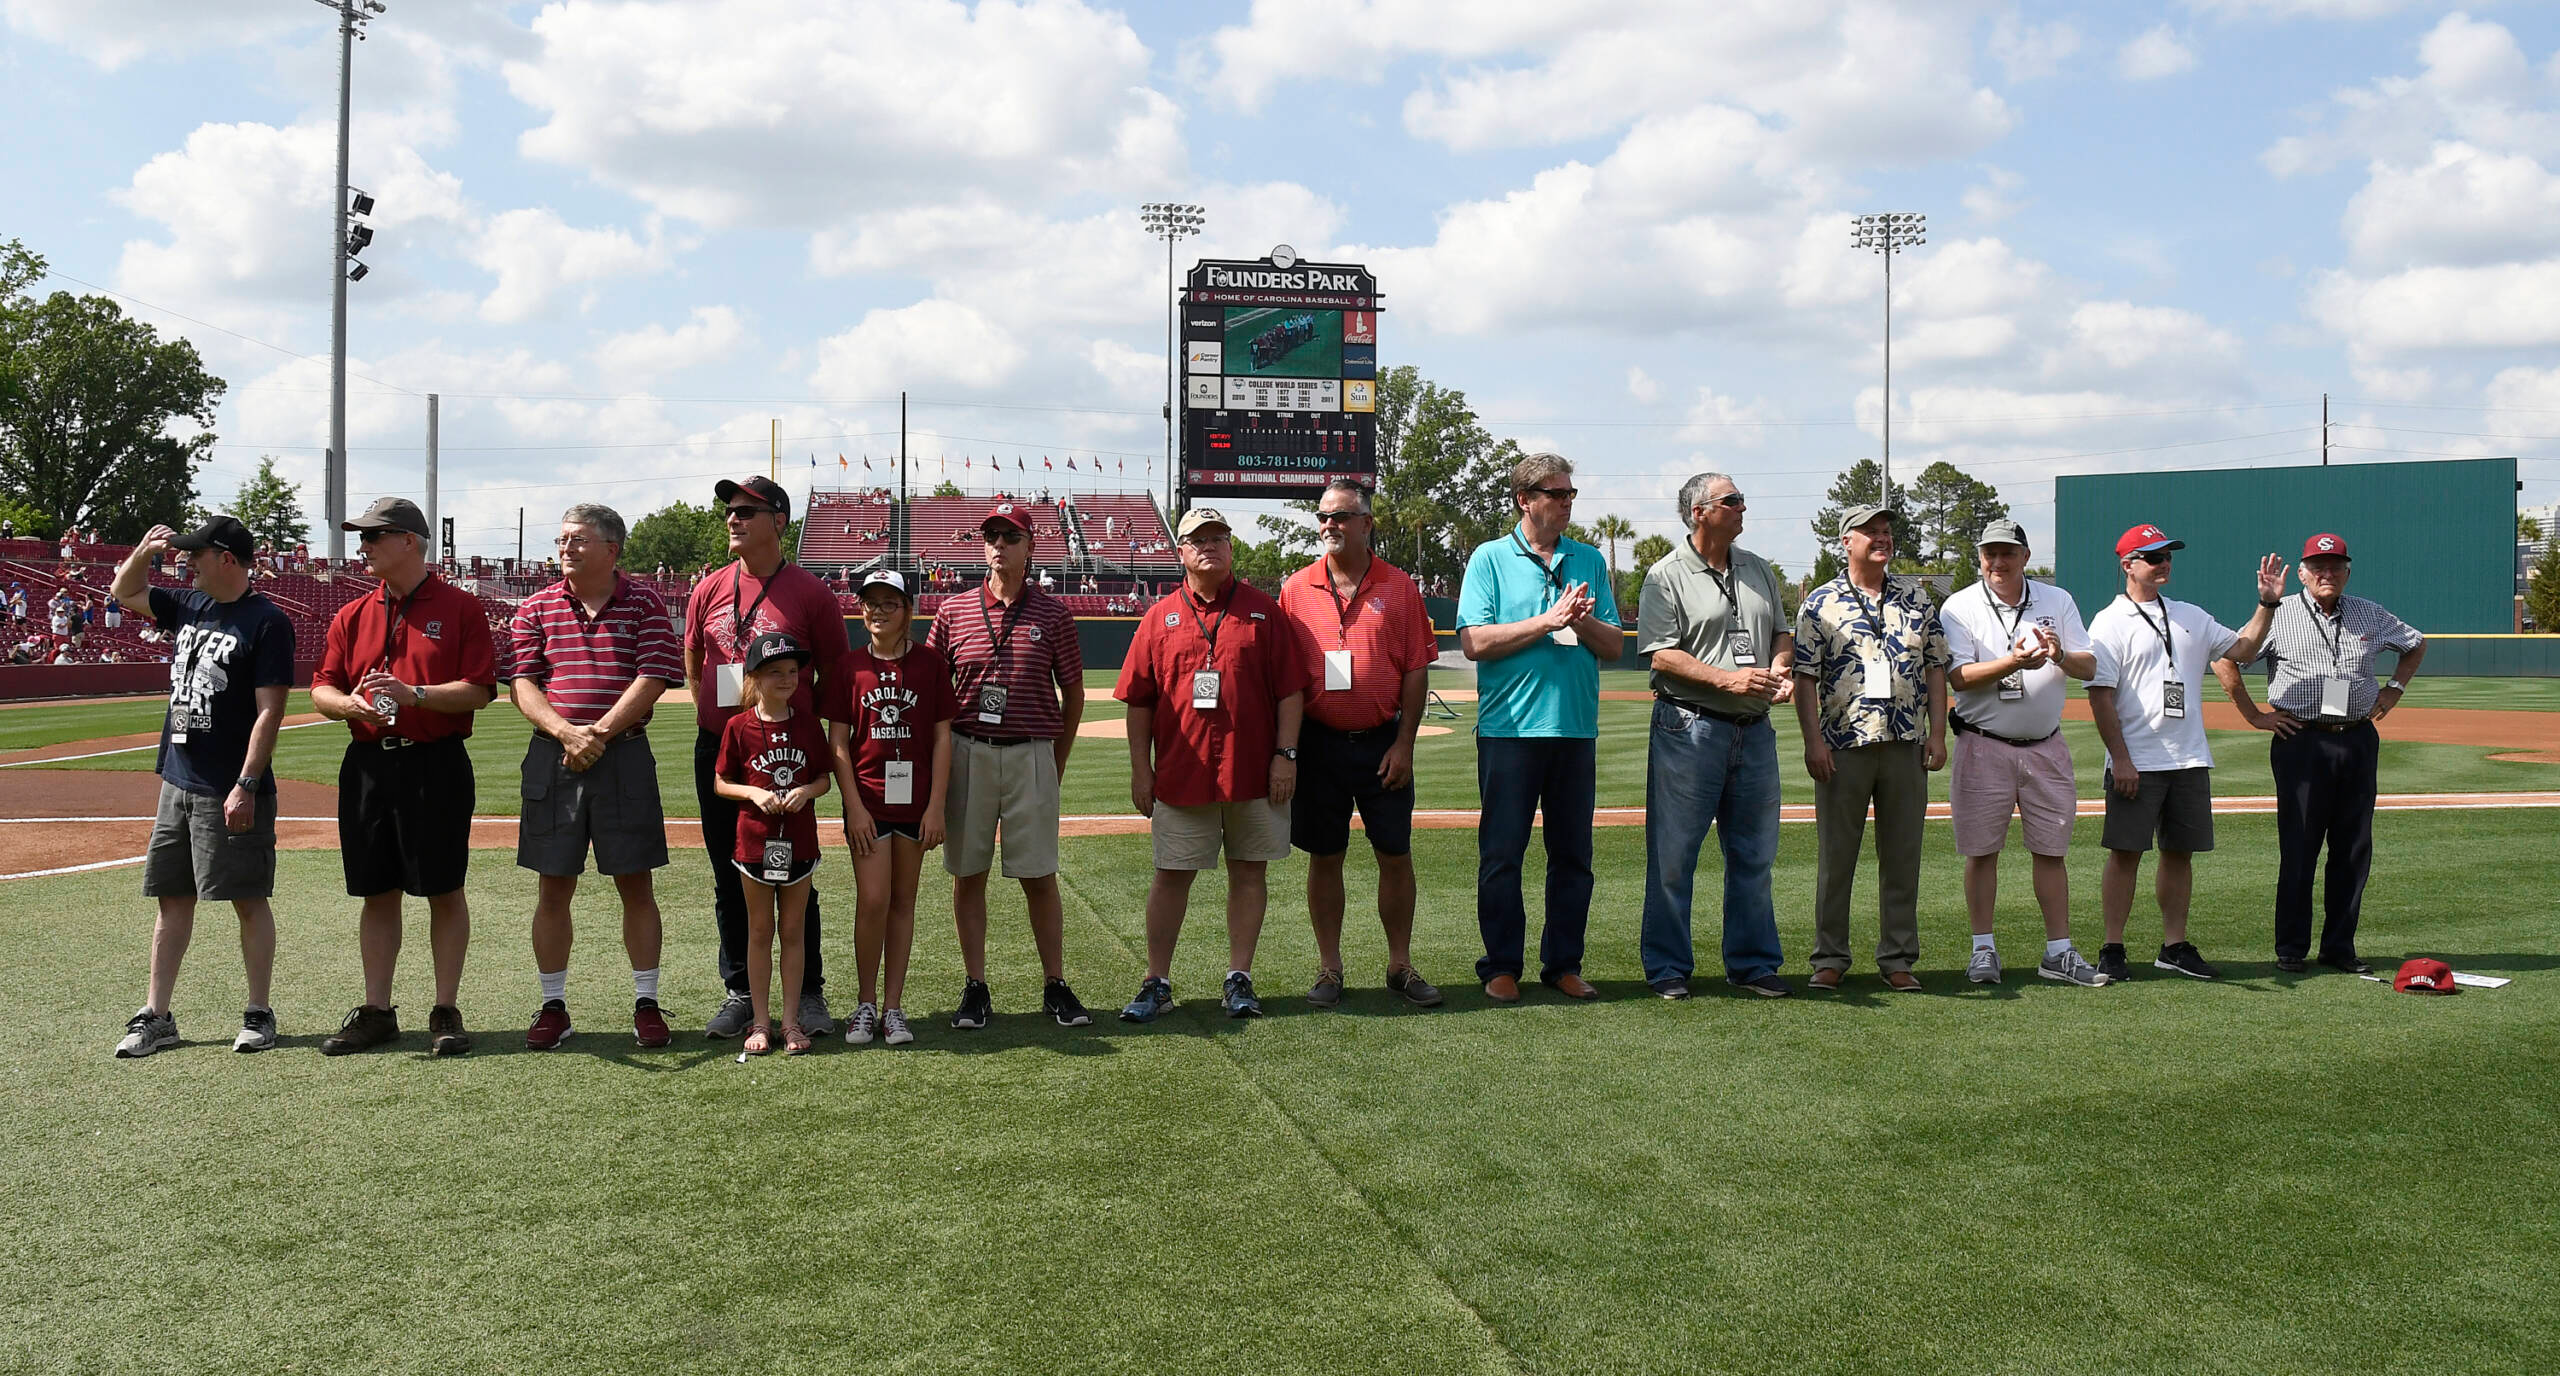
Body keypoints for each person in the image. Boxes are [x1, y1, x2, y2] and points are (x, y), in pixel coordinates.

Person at [310, 497, 500, 1055]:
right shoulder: (352, 614)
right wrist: (349, 706)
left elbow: (481, 690)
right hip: (369, 765)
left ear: (409, 541)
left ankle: (445, 1009)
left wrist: (414, 695)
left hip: (434, 763)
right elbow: (321, 686)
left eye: (374, 536)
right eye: (362, 536)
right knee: (377, 890)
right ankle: (377, 1010)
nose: (363, 546)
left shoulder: (462, 607)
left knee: (443, 888)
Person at [107, 516, 295, 1057]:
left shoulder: (267, 622)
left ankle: (259, 1013)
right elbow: (124, 591)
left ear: (227, 560)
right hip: (178, 779)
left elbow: (269, 713)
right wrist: (144, 549)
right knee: (172, 900)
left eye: (197, 555)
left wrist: (246, 784)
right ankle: (157, 1015)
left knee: (247, 899)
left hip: (228, 786)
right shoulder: (190, 605)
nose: (188, 562)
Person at [1115, 509, 1308, 1022]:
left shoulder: (1263, 611)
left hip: (1253, 774)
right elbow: (1138, 700)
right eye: (1198, 539)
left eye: (1219, 538)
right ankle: (1157, 980)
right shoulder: (1159, 617)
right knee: (1171, 876)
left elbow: (1291, 690)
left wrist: (1286, 756)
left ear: (1231, 548)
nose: (1210, 547)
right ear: (1180, 551)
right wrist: (1140, 769)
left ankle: (1238, 976)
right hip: (1182, 774)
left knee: (1249, 874)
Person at [506, 503, 685, 1050]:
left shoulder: (646, 603)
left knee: (635, 883)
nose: (565, 547)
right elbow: (522, 683)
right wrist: (567, 733)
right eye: (561, 538)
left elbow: (654, 676)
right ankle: (552, 1005)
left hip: (622, 755)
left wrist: (597, 734)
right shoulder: (535, 608)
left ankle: (647, 1003)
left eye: (578, 539)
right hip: (553, 757)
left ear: (612, 549)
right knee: (553, 885)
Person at [2211, 533, 2425, 974]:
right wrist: (2254, 715)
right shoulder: (2279, 613)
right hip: (2302, 740)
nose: (2327, 573)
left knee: (2352, 848)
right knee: (2300, 846)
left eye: (2336, 566)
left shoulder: (2368, 611)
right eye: (2318, 566)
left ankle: (2339, 948)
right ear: (2303, 573)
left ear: (2348, 571)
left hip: (2358, 737)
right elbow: (2225, 658)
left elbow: (2416, 642)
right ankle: (2291, 947)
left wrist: (2394, 688)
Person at [683, 476, 847, 1038]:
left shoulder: (810, 592)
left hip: (789, 750)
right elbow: (694, 661)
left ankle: (808, 994)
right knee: (729, 874)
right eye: (730, 510)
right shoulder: (708, 587)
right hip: (727, 746)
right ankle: (738, 993)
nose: (734, 518)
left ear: (779, 520)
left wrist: (801, 725)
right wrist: (727, 721)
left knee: (796, 870)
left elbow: (834, 671)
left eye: (748, 511)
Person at [1456, 452, 1622, 1004]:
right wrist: (1548, 622)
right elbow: (1475, 642)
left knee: (1573, 856)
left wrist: (1583, 620)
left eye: (1571, 493)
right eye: (1556, 494)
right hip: (1509, 730)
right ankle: (1501, 964)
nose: (1567, 502)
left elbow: (1615, 646)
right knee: (1502, 855)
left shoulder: (1588, 559)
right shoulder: (1490, 558)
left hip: (1574, 730)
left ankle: (1563, 964)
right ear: (1524, 500)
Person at [2085, 523, 2282, 981]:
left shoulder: (2190, 614)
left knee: (2180, 854)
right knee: (2125, 853)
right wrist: (2122, 758)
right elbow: (2100, 695)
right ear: (2127, 565)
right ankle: (2113, 946)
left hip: (2189, 758)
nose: (2164, 563)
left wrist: (2267, 604)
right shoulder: (2109, 621)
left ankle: (2174, 946)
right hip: (2138, 760)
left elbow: (2245, 647)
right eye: (2153, 556)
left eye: (2167, 555)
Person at [923, 501, 1092, 1031]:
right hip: (969, 750)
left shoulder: (1053, 612)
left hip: (1031, 751)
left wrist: (1055, 761)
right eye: (991, 535)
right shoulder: (952, 612)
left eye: (1010, 536)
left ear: (1031, 546)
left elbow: (1074, 694)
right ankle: (976, 985)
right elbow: (932, 689)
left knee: (1039, 874)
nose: (998, 544)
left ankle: (1055, 983)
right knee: (967, 873)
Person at [1276, 480, 1444, 1008]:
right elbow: (1285, 678)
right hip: (1319, 744)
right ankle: (1330, 969)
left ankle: (1400, 964)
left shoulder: (1400, 587)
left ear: (1367, 524)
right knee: (1325, 856)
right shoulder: (1295, 589)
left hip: (1381, 743)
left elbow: (1416, 669)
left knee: (1394, 854)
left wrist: (1405, 743)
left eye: (1341, 516)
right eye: (1323, 516)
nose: (1329, 525)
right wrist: (1289, 751)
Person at [1635, 472, 1797, 1000]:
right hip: (1690, 726)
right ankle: (1668, 968)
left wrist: (1778, 668)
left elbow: (1780, 633)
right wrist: (1729, 677)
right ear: (1699, 511)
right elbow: (1659, 653)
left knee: (1753, 855)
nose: (1743, 506)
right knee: (1674, 856)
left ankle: (1752, 964)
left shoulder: (1758, 568)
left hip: (1754, 730)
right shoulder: (1665, 574)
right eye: (1732, 500)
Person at [1937, 518, 2107, 987]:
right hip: (1982, 743)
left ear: (2025, 556)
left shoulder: (2057, 600)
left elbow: (2088, 664)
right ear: (1980, 557)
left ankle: (2059, 951)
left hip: (2045, 745)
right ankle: (1983, 949)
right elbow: (1958, 677)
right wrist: (2013, 662)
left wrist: (2058, 656)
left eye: (2007, 553)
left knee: (2051, 851)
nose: (1997, 562)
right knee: (1981, 852)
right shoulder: (1960, 606)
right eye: (1989, 553)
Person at [1792, 504, 1949, 992]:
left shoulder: (1917, 597)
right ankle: (1830, 957)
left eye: (1885, 532)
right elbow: (1804, 677)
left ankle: (1898, 958)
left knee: (1903, 857)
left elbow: (1936, 668)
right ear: (1846, 541)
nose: (1880, 538)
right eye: (1869, 532)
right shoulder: (1821, 602)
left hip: (1905, 742)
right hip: (1844, 745)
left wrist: (1938, 732)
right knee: (1837, 859)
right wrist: (1812, 742)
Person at [827, 570, 956, 1047]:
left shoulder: (930, 664)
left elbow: (943, 737)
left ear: (909, 610)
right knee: (874, 900)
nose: (877, 611)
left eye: (889, 602)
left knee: (904, 901)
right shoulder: (849, 666)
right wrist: (853, 807)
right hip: (868, 801)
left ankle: (894, 1007)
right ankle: (864, 1004)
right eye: (870, 602)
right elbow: (837, 742)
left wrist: (936, 806)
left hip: (916, 802)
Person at [714, 632, 835, 1055]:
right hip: (754, 843)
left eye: (792, 671)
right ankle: (761, 1022)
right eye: (775, 672)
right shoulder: (738, 726)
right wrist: (754, 794)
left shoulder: (807, 723)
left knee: (794, 931)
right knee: (760, 931)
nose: (787, 679)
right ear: (755, 677)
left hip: (798, 842)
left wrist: (808, 791)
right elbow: (721, 782)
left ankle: (790, 1022)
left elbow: (823, 777)